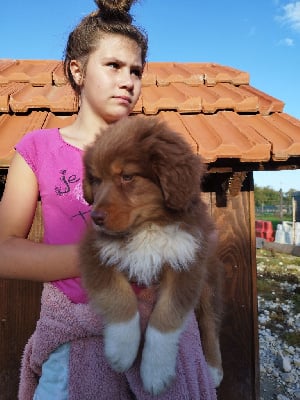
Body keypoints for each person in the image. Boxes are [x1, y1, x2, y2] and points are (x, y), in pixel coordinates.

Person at [0, 1, 217, 399]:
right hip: (77, 340)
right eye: (113, 66)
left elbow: (191, 240)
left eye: (135, 70)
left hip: (162, 341)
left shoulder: (154, 147)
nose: (128, 81)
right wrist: (103, 254)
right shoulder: (37, 148)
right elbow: (3, 251)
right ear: (77, 70)